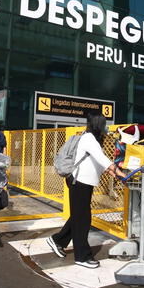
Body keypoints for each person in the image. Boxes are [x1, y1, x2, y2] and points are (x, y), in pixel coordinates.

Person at [46, 114, 125, 268]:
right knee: (83, 220)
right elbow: (101, 158)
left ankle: (57, 240)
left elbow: (97, 161)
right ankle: (82, 257)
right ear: (98, 125)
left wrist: (114, 172)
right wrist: (118, 171)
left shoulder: (91, 138)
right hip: (79, 182)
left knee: (78, 216)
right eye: (103, 125)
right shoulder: (89, 138)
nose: (105, 128)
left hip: (84, 183)